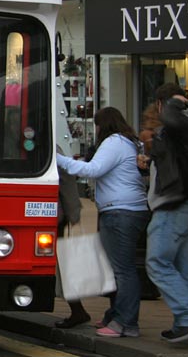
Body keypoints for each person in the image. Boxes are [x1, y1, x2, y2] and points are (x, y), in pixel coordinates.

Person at [56, 106, 149, 338]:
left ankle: (126, 323)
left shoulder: (114, 142)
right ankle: (114, 315)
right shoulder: (128, 142)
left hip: (121, 212)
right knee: (116, 268)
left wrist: (57, 159)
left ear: (103, 125)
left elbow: (93, 170)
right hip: (126, 210)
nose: (95, 130)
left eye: (97, 125)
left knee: (122, 270)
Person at [138, 83, 188, 343]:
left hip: (173, 205)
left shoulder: (178, 118)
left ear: (160, 104)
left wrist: (173, 103)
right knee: (185, 268)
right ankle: (186, 329)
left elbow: (168, 118)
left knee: (157, 263)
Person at [54, 161, 89, 329]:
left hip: (51, 214)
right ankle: (77, 309)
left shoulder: (48, 143)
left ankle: (78, 309)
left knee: (63, 263)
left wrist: (73, 213)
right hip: (50, 213)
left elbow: (66, 181)